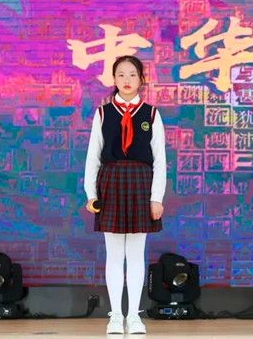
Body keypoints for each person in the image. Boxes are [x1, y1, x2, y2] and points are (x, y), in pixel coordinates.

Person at [84, 55, 166, 335]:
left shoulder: (151, 114)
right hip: (111, 184)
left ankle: (134, 315)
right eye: (121, 74)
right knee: (114, 254)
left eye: (132, 74)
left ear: (141, 79)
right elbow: (93, 157)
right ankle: (116, 316)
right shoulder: (103, 113)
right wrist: (91, 193)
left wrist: (156, 197)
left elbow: (160, 160)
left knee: (136, 253)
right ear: (114, 79)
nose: (127, 80)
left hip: (141, 184)